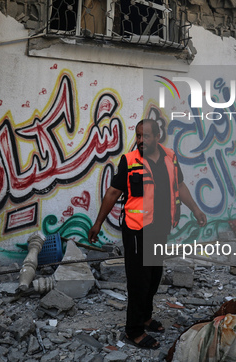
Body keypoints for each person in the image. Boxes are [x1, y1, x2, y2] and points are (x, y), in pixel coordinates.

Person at [88, 119, 207, 349]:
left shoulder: (170, 157)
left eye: (146, 136)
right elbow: (113, 192)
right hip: (136, 231)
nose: (141, 140)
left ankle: (145, 317)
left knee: (153, 276)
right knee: (138, 281)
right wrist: (98, 223)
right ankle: (134, 330)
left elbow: (179, 185)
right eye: (139, 136)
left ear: (157, 137)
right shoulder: (130, 161)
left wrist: (196, 209)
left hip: (160, 229)